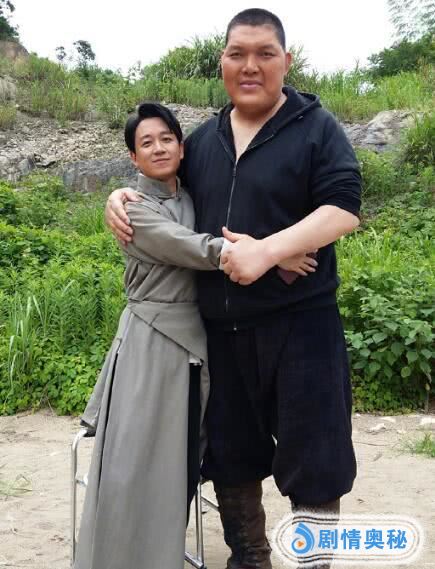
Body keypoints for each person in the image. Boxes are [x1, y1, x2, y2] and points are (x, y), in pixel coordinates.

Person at [105, 9, 361, 569]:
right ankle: (249, 558)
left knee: (316, 458)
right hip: (220, 331)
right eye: (237, 54)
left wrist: (266, 251)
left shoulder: (316, 128)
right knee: (230, 454)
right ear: (221, 62)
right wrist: (119, 197)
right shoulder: (202, 141)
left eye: (264, 54)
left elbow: (343, 208)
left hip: (302, 326)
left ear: (285, 61)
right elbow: (164, 190)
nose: (250, 66)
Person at [73, 103, 225, 569]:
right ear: (133, 158)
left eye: (166, 139)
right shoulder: (135, 210)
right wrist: (275, 253)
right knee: (133, 460)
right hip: (150, 343)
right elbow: (195, 248)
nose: (158, 148)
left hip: (190, 345)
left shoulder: (190, 196)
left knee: (174, 460)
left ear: (182, 147)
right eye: (146, 143)